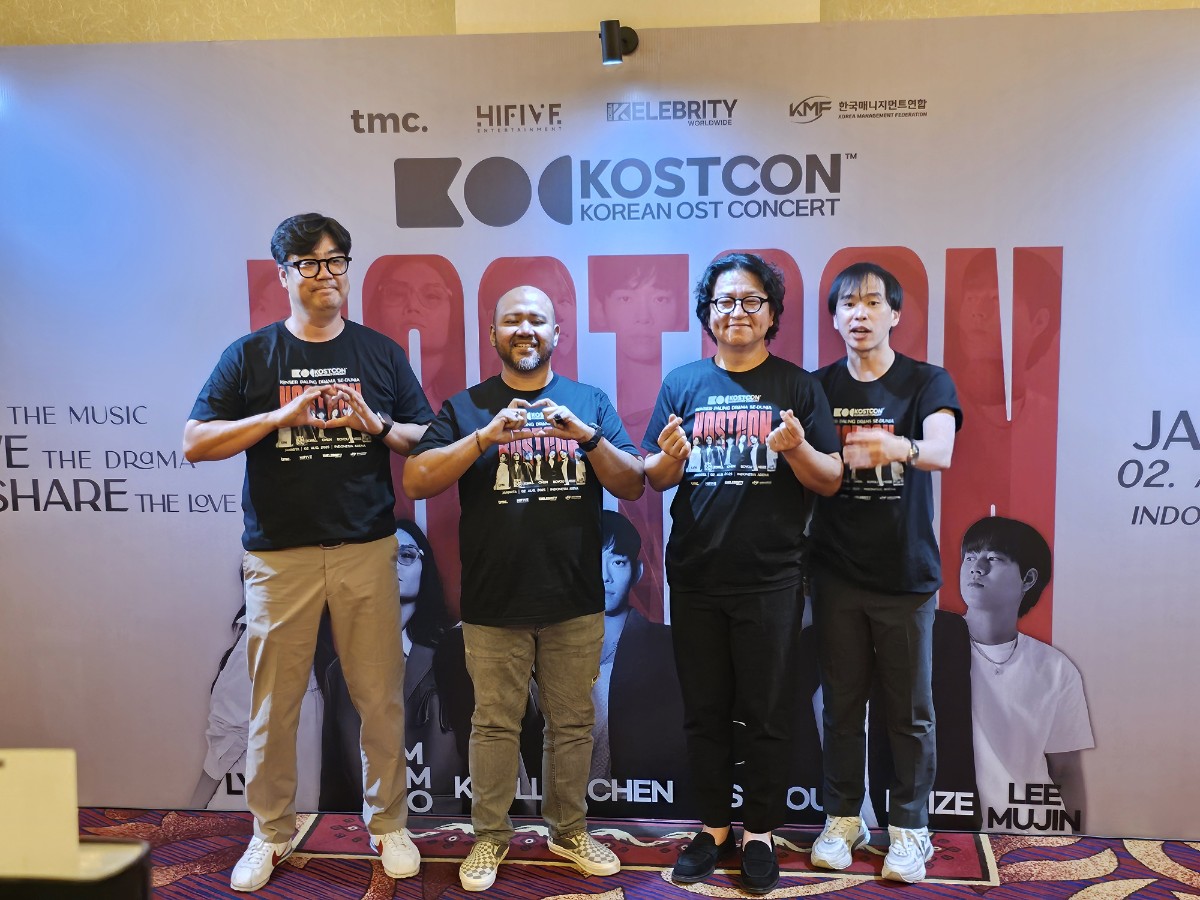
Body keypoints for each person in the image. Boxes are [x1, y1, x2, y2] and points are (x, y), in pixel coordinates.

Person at [183, 213, 432, 893]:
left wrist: (375, 423)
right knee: (274, 704)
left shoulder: (379, 352)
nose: (326, 274)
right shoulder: (251, 355)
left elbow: (428, 437)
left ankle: (388, 824)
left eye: (336, 261)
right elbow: (195, 441)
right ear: (284, 274)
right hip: (280, 557)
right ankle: (270, 831)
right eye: (310, 263)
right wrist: (279, 417)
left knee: (378, 697)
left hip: (365, 547)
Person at [403, 285, 644, 893]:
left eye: (538, 319)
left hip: (574, 599)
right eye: (512, 320)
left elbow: (633, 483)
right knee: (493, 725)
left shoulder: (588, 401)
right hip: (494, 601)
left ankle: (569, 832)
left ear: (557, 333)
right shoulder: (467, 406)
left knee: (572, 723)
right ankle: (490, 836)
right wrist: (484, 438)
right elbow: (417, 478)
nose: (525, 329)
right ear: (494, 335)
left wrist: (587, 437)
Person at [644, 253, 842, 895]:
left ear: (772, 313)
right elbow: (655, 476)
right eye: (725, 301)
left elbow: (830, 479)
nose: (737, 311)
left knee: (765, 711)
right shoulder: (682, 383)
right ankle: (713, 828)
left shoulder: (798, 387)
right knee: (704, 710)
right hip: (696, 575)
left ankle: (759, 832)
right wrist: (668, 459)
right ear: (708, 313)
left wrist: (797, 448)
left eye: (751, 301)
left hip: (772, 578)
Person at [807, 262, 962, 884]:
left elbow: (942, 451)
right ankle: (843, 819)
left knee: (909, 711)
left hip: (905, 574)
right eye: (848, 303)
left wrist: (896, 446)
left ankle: (910, 827)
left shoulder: (926, 381)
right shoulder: (817, 386)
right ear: (835, 317)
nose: (860, 313)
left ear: (895, 314)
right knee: (842, 707)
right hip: (835, 572)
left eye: (873, 302)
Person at [318, 519, 467, 816]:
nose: (393, 564)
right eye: (381, 556)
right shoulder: (339, 672)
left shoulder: (458, 653)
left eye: (406, 555)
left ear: (424, 569)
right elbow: (335, 782)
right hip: (371, 822)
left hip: (450, 822)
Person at [959, 515, 1093, 833]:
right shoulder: (930, 646)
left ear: (1028, 579)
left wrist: (1079, 847)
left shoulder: (1055, 668)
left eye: (994, 558)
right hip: (945, 831)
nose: (977, 568)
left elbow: (1066, 771)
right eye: (970, 557)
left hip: (1032, 832)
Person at [586, 510, 690, 818]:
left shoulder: (667, 648)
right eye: (592, 560)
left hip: (648, 813)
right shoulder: (548, 647)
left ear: (637, 571)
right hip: (563, 813)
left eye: (618, 562)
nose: (605, 576)